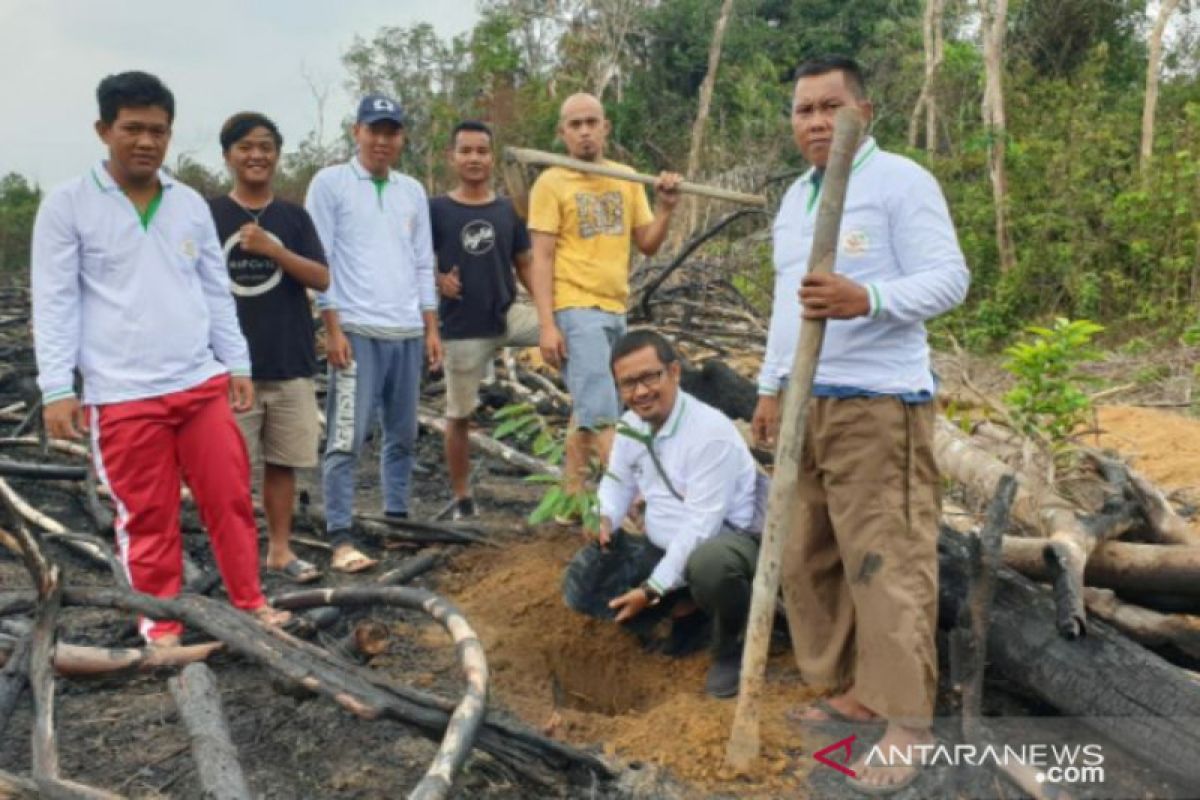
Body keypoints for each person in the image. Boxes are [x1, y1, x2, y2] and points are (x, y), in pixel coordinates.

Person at [752, 56, 969, 793]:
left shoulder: (900, 181)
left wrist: (865, 298)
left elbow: (950, 278)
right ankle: (855, 689)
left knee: (887, 561)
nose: (815, 121)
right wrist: (770, 386)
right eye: (803, 110)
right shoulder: (794, 199)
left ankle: (907, 722)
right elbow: (790, 303)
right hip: (808, 400)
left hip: (878, 404)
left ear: (863, 112)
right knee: (816, 557)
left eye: (830, 107)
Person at [30, 71, 290, 645]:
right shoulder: (68, 206)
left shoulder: (188, 204)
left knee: (229, 499)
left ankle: (250, 602)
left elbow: (215, 292)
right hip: (122, 393)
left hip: (199, 384)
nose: (146, 142)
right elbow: (55, 301)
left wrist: (237, 365)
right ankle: (161, 622)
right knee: (147, 516)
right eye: (133, 129)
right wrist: (57, 389)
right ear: (104, 130)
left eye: (159, 131)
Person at [562, 330, 763, 698]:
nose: (640, 392)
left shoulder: (709, 433)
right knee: (587, 580)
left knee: (710, 565)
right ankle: (688, 612)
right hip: (664, 543)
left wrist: (652, 590)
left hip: (726, 541)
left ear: (674, 372)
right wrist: (604, 517)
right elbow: (618, 481)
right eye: (628, 383)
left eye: (650, 377)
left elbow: (703, 526)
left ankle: (730, 647)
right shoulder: (630, 427)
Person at [305, 94, 442, 573]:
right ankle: (340, 533)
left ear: (402, 137)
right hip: (356, 329)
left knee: (402, 432)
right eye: (374, 130)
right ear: (356, 131)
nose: (382, 141)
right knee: (347, 434)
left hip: (405, 330)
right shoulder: (331, 184)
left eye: (392, 132)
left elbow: (423, 260)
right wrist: (332, 327)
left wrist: (430, 327)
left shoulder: (411, 191)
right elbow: (319, 259)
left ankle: (397, 517)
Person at [527, 93, 682, 507]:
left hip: (615, 308)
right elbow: (540, 258)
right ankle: (635, 505)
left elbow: (647, 244)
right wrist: (547, 324)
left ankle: (569, 500)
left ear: (605, 127)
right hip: (576, 310)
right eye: (575, 124)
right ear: (562, 134)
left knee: (590, 408)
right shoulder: (551, 183)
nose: (584, 131)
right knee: (605, 416)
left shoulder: (626, 177)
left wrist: (666, 208)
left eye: (591, 122)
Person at [209, 112, 330, 584]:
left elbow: (321, 278)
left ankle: (280, 551)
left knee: (283, 463)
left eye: (265, 146)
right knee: (229, 471)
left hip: (288, 359)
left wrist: (273, 250)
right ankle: (235, 558)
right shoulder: (210, 215)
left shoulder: (293, 218)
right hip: (226, 367)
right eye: (245, 147)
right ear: (228, 156)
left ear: (276, 155)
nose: (256, 155)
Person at [431, 120, 537, 520]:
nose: (474, 158)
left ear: (492, 157)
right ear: (452, 157)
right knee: (459, 415)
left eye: (482, 151)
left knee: (570, 334)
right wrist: (435, 280)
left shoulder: (508, 209)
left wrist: (549, 314)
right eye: (466, 151)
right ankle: (462, 497)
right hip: (462, 328)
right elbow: (413, 258)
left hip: (508, 315)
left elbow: (524, 263)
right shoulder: (436, 210)